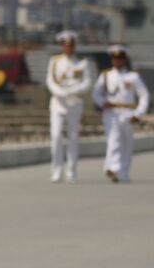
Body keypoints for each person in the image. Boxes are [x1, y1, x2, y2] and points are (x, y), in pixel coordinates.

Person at [92, 45, 148, 182]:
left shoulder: (133, 76)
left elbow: (144, 95)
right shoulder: (105, 75)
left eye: (120, 58)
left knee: (127, 144)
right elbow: (96, 93)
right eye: (115, 58)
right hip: (111, 112)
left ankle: (123, 173)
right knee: (113, 140)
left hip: (128, 112)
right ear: (112, 60)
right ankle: (111, 167)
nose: (117, 61)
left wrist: (139, 113)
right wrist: (102, 102)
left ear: (124, 60)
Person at [46, 30, 93, 182]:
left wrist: (73, 90)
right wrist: (60, 92)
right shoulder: (55, 61)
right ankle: (57, 170)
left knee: (73, 137)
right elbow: (50, 81)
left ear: (75, 46)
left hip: (74, 103)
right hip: (59, 103)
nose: (68, 48)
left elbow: (87, 83)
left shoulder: (81, 63)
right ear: (62, 46)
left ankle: (71, 171)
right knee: (56, 136)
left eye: (71, 45)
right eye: (65, 45)